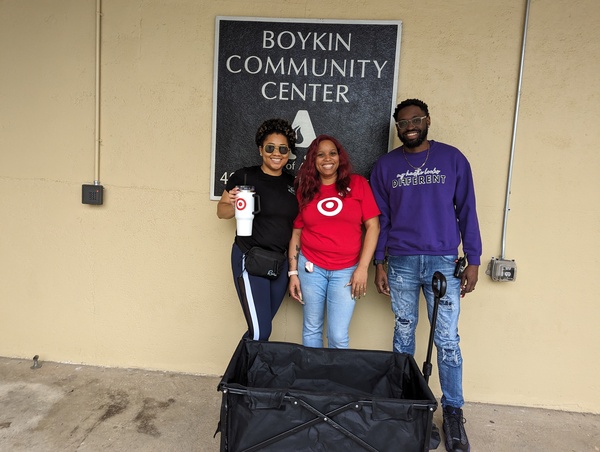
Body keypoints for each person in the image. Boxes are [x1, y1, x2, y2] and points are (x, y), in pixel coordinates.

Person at [370, 99, 482, 452]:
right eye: (403, 122)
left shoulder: (452, 159)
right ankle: (407, 406)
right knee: (404, 332)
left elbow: (467, 210)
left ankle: (452, 411)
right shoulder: (386, 166)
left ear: (428, 121)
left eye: (416, 120)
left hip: (442, 262)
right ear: (397, 127)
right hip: (400, 261)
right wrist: (379, 261)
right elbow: (380, 219)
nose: (410, 126)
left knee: (447, 340)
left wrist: (474, 258)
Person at [288, 134, 380, 349]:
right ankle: (313, 381)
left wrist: (363, 268)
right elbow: (296, 234)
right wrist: (293, 273)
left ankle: (336, 381)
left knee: (338, 335)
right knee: (311, 329)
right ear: (313, 160)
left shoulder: (357, 184)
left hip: (347, 271)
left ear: (340, 157)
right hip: (311, 268)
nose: (327, 159)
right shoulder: (306, 190)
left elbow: (373, 226)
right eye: (320, 155)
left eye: (332, 153)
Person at [217, 118, 298, 341]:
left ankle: (236, 375)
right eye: (270, 147)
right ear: (261, 149)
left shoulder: (293, 184)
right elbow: (221, 211)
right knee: (261, 331)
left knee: (259, 329)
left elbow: (296, 230)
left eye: (283, 149)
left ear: (288, 152)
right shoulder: (244, 176)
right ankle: (248, 377)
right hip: (249, 256)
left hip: (279, 263)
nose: (277, 153)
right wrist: (232, 204)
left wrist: (293, 269)